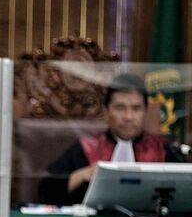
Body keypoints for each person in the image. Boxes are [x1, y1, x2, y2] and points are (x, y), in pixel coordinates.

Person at [38, 73, 182, 206]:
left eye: (136, 109)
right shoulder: (86, 148)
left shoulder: (164, 150)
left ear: (145, 112)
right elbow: (46, 191)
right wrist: (83, 175)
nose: (128, 117)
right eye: (120, 108)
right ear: (106, 112)